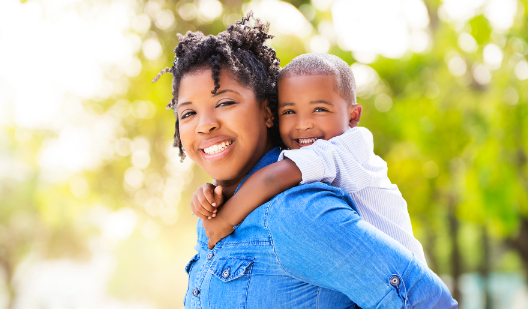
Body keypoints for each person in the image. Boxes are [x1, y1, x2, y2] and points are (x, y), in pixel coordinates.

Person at [155, 12, 457, 308]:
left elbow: (427, 301)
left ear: (267, 112)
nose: (204, 124)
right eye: (188, 113)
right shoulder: (211, 215)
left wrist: (225, 217)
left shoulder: (295, 211)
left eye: (225, 102)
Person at [190, 53, 427, 266]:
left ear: (353, 116)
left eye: (320, 110)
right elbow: (257, 177)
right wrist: (212, 192)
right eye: (289, 112)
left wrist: (225, 220)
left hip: (405, 288)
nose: (303, 124)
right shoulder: (300, 153)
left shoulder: (348, 146)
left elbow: (271, 179)